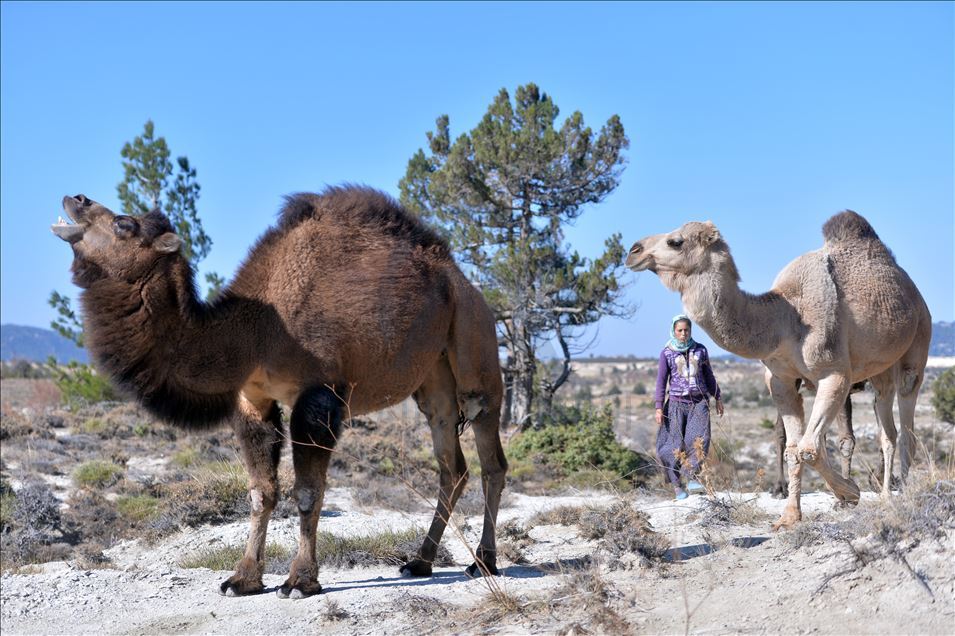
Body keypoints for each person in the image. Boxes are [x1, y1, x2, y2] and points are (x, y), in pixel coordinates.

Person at [654, 314, 724, 500]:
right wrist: (659, 407)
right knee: (671, 445)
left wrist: (717, 396)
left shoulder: (700, 350)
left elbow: (709, 376)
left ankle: (692, 477)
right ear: (674, 331)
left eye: (687, 330)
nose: (683, 333)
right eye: (680, 330)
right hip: (675, 405)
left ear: (690, 331)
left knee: (700, 440)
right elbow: (661, 381)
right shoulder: (667, 353)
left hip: (699, 402)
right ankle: (677, 486)